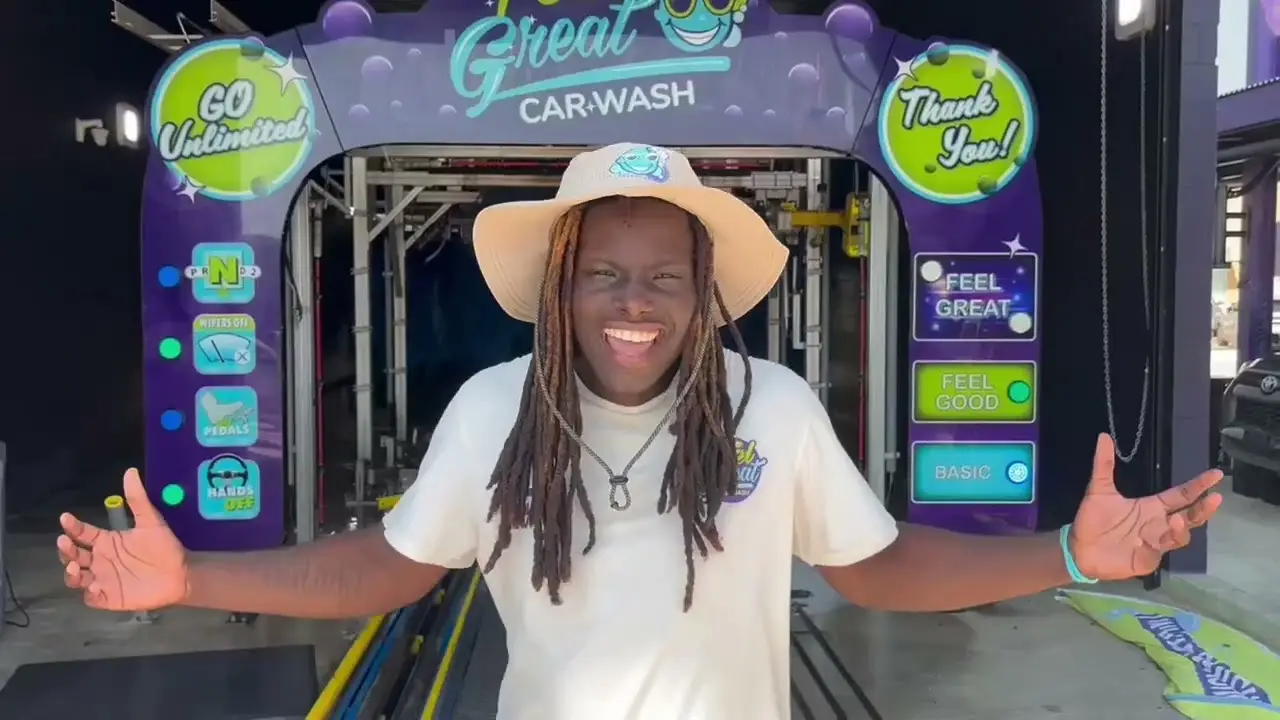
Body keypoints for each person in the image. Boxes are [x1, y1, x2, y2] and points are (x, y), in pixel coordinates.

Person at [60, 143, 1222, 719]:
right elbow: (385, 565)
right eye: (604, 274)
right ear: (558, 285)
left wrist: (1068, 556)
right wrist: (191, 577)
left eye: (664, 276)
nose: (633, 302)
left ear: (704, 289)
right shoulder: (491, 412)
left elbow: (875, 569)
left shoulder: (773, 405)